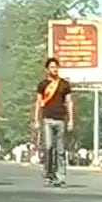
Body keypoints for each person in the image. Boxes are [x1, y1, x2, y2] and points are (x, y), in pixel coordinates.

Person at [34, 57, 73, 187]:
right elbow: (38, 102)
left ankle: (60, 176)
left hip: (61, 119)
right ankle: (48, 175)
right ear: (47, 69)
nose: (54, 69)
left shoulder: (64, 84)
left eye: (56, 67)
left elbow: (69, 102)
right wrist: (36, 119)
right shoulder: (43, 84)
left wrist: (71, 119)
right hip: (47, 119)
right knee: (49, 147)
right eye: (51, 67)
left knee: (61, 150)